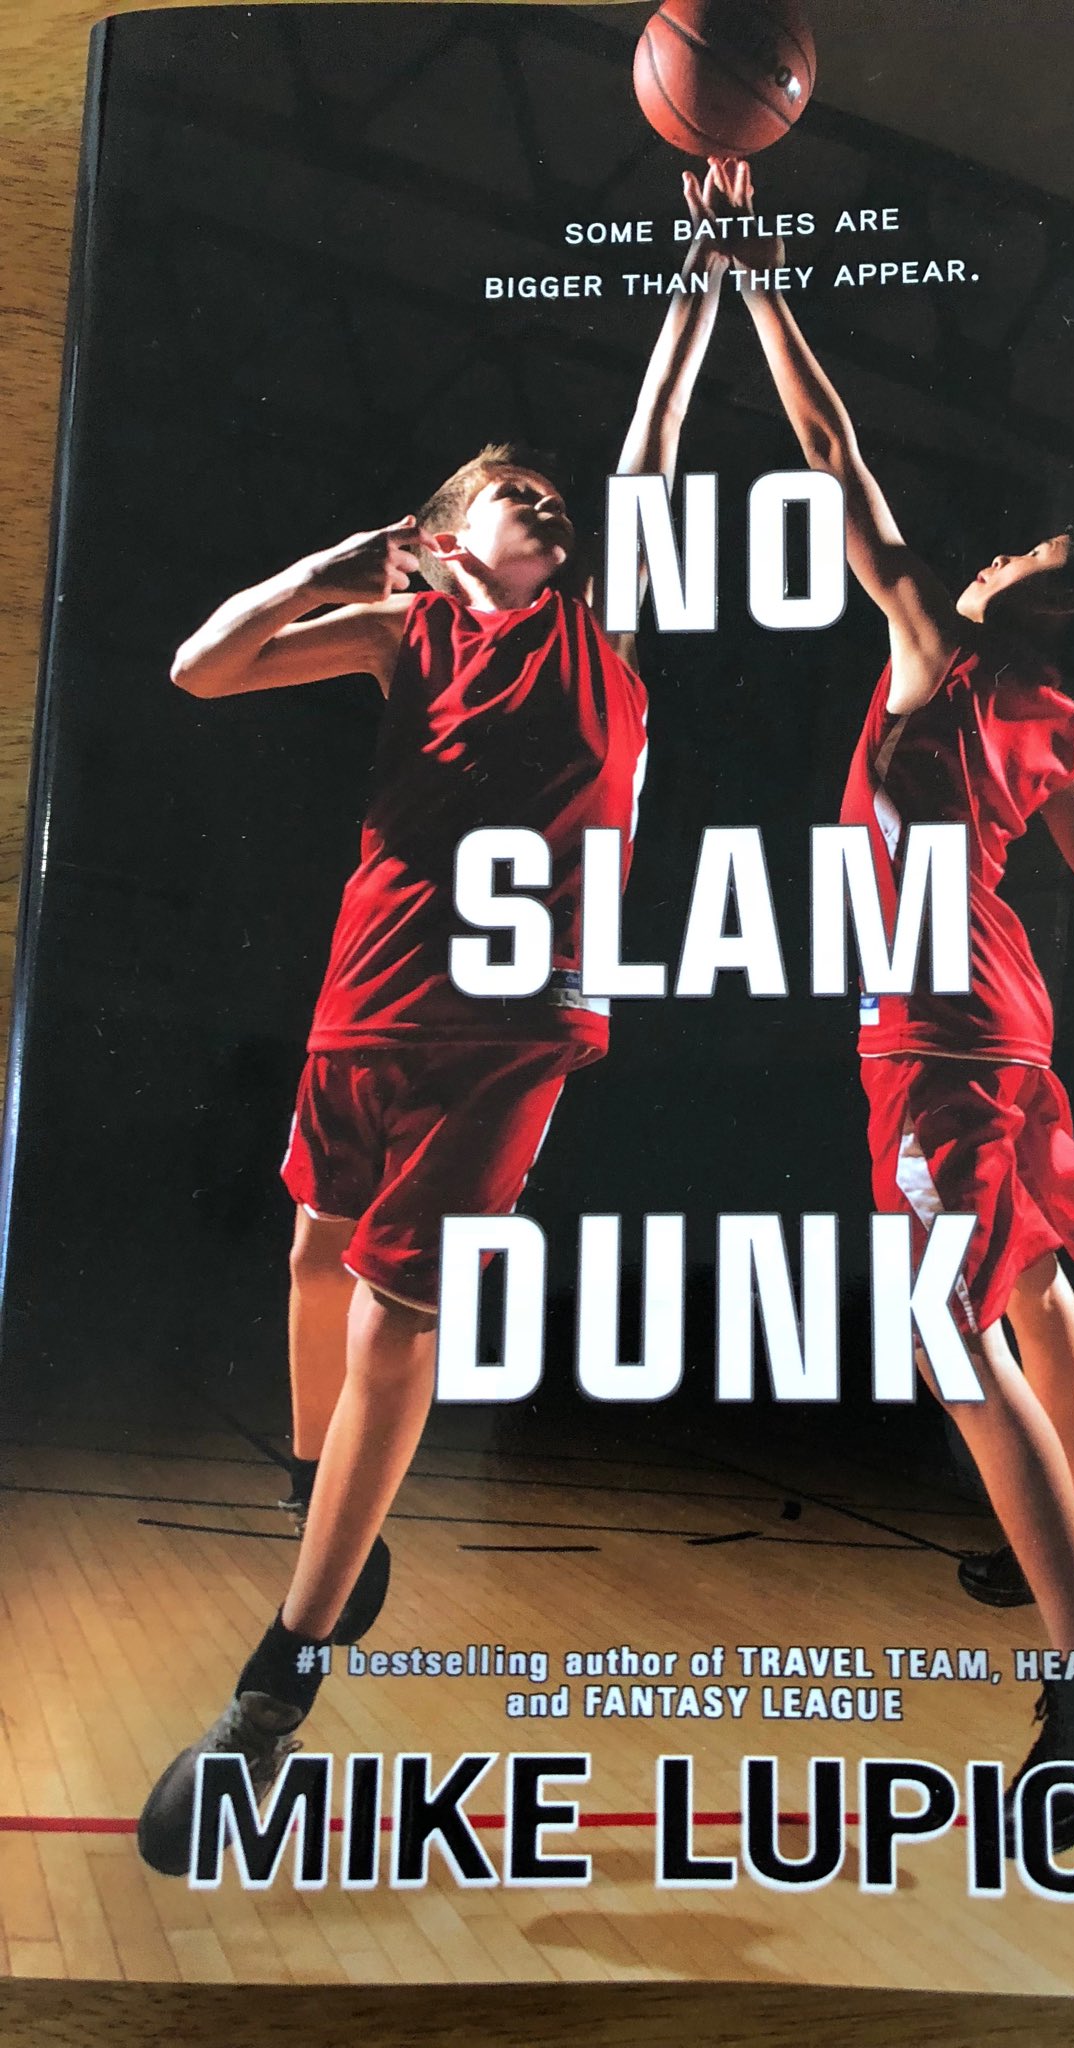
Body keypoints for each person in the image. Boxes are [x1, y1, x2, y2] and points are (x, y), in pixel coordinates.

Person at [136, 172, 731, 1878]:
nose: (546, 502)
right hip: (366, 992)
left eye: (551, 498)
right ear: (448, 529)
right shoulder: (404, 635)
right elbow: (198, 667)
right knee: (316, 1253)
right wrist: (334, 563)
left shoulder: (600, 633)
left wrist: (698, 275)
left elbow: (655, 438)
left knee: (402, 1316)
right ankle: (329, 1504)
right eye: (509, 492)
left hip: (515, 1029)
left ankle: (280, 1675)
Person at [711, 158, 1074, 1845]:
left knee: (947, 1331)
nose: (995, 552)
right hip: (1013, 1023)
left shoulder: (945, 649)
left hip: (935, 1032)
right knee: (1033, 1286)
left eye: (1029, 551)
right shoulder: (1057, 722)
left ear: (1047, 603)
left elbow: (832, 452)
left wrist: (759, 276)